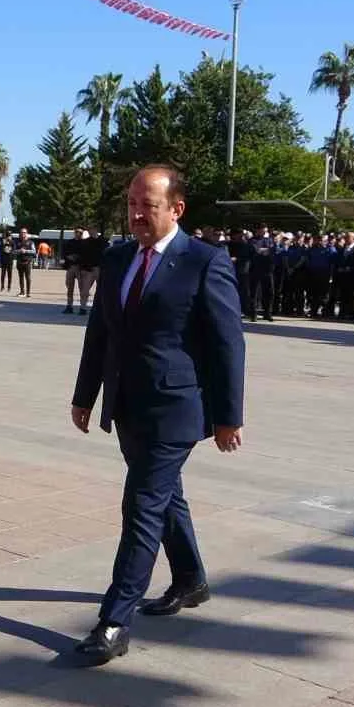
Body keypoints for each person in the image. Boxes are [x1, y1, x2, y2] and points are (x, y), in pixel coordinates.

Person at [67, 165, 245, 665]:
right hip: (127, 405)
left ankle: (115, 620)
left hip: (176, 409)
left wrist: (229, 414)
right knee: (166, 498)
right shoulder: (119, 257)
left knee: (142, 506)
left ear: (176, 209)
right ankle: (190, 579)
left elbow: (228, 344)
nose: (137, 214)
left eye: (148, 205)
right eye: (132, 204)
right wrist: (86, 394)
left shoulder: (205, 262)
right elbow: (100, 334)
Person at [14, 228, 37, 296]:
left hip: (28, 262)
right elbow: (13, 251)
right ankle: (22, 292)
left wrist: (26, 251)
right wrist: (19, 251)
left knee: (28, 277)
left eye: (24, 232)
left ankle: (28, 292)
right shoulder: (17, 242)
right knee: (21, 277)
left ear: (26, 233)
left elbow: (34, 251)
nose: (22, 234)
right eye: (21, 232)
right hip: (19, 262)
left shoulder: (31, 242)